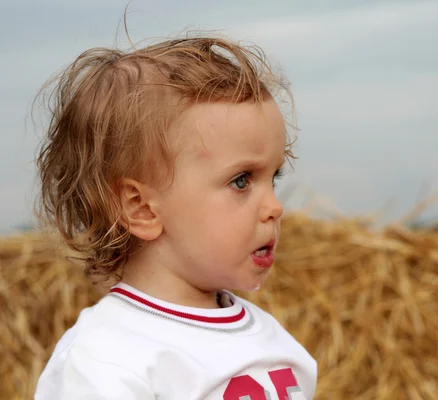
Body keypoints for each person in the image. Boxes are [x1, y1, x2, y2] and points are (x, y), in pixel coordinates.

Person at [33, 29, 317, 400]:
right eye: (242, 181)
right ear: (141, 209)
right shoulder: (105, 361)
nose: (275, 208)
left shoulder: (276, 343)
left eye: (273, 178)